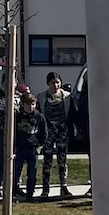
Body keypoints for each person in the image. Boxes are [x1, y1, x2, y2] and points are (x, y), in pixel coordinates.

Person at [40, 71, 74, 199]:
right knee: (47, 160)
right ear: (48, 83)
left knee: (62, 160)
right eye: (52, 82)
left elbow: (72, 113)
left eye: (57, 82)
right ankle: (45, 188)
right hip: (48, 132)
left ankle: (63, 186)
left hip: (62, 132)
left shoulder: (67, 97)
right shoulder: (42, 97)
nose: (55, 85)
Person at [10, 84, 46, 200]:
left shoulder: (39, 117)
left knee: (32, 173)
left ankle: (30, 194)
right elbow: (13, 131)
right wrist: (14, 146)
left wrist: (39, 145)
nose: (31, 107)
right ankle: (14, 191)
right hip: (20, 148)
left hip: (33, 148)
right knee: (16, 171)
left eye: (33, 104)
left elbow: (44, 133)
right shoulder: (17, 116)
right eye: (28, 104)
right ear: (22, 104)